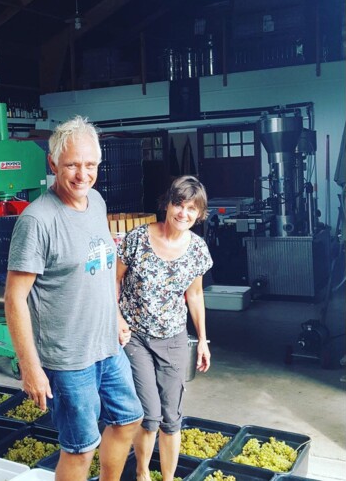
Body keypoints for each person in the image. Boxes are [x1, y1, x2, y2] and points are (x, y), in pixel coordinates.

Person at [5, 115, 143, 481]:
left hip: (107, 346)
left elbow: (99, 267)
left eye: (90, 165)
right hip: (68, 359)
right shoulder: (37, 221)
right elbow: (14, 299)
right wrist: (30, 367)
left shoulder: (95, 201)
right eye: (72, 165)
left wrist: (115, 316)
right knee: (80, 448)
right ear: (52, 164)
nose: (83, 175)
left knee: (129, 419)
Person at [115, 175, 213, 481]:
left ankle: (168, 479)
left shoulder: (197, 249)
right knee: (149, 414)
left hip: (173, 338)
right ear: (167, 205)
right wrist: (117, 318)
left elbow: (194, 295)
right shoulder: (137, 238)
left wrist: (203, 340)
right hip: (135, 337)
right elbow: (113, 280)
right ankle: (142, 473)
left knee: (171, 418)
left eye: (191, 208)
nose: (183, 213)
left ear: (199, 214)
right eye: (178, 204)